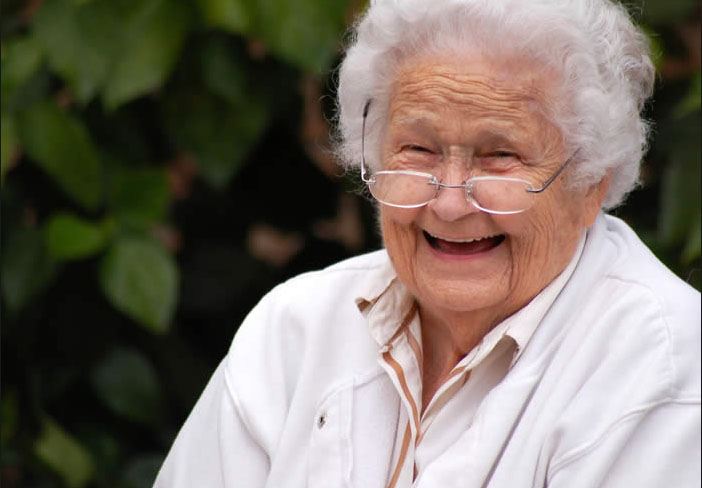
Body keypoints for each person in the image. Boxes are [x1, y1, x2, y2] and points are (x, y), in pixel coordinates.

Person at [154, 0, 701, 486]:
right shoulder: (293, 332)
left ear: (591, 184)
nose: (450, 202)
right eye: (418, 149)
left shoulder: (662, 367)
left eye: (499, 157)